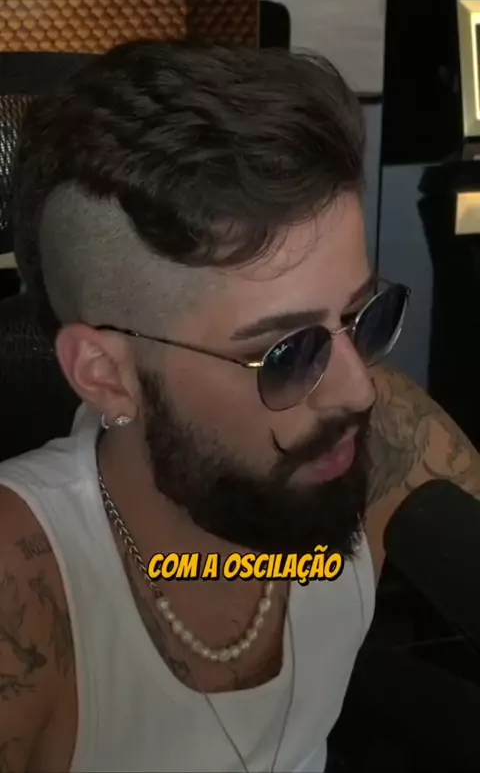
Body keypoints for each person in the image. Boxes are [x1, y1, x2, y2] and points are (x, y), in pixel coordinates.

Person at [1, 41, 479, 773]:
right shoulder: (24, 591)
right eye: (288, 354)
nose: (358, 389)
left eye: (363, 317)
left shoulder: (382, 437)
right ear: (108, 377)